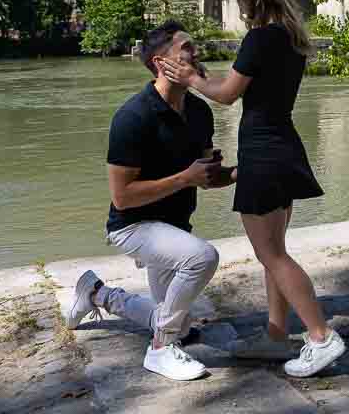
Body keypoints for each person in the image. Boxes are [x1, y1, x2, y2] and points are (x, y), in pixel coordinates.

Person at [156, 0, 345, 378]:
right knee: (273, 251)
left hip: (263, 151)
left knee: (271, 253)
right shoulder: (291, 38)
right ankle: (277, 337)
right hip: (285, 146)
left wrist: (189, 77)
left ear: (253, 2)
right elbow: (242, 85)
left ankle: (320, 336)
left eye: (242, 3)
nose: (241, 11)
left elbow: (226, 96)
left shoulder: (260, 37)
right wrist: (202, 77)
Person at [65, 21, 233, 382]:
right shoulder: (133, 117)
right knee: (202, 257)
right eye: (186, 48)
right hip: (133, 226)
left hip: (174, 228)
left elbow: (205, 178)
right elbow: (122, 197)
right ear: (162, 62)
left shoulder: (200, 112)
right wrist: (185, 178)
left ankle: (96, 293)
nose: (196, 53)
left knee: (176, 320)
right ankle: (159, 350)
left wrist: (243, 173)